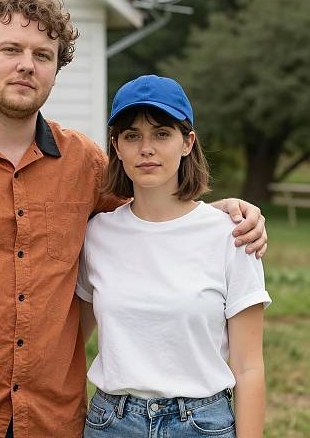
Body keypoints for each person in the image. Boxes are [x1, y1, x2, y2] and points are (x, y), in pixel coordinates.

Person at [0, 0, 267, 438]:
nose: (27, 64)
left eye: (44, 54)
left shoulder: (85, 163)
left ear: (56, 71)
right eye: (11, 49)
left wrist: (218, 215)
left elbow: (153, 216)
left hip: (51, 423)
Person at [76, 74, 271, 438]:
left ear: (187, 142)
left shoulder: (232, 235)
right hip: (111, 423)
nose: (146, 148)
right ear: (116, 147)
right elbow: (70, 341)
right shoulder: (97, 235)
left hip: (201, 423)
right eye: (132, 136)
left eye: (162, 134)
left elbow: (249, 368)